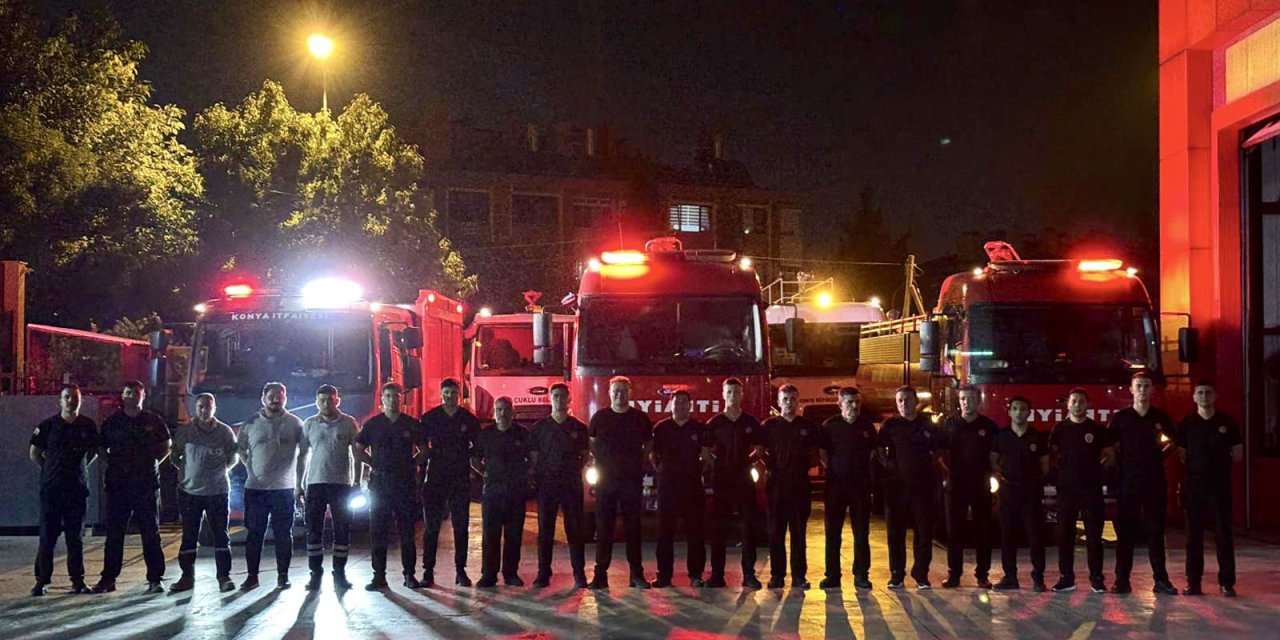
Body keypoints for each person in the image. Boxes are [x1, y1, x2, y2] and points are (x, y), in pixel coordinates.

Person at [94, 380, 170, 594]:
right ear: (123, 395)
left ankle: (155, 578)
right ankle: (108, 579)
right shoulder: (113, 422)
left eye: (136, 392)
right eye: (128, 392)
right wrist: (114, 465)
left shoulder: (153, 421)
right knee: (115, 533)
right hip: (119, 486)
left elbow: (166, 446)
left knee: (150, 531)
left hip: (146, 485)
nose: (132, 395)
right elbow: (101, 448)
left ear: (143, 395)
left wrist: (153, 462)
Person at [1108, 371, 1178, 596]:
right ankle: (1121, 580)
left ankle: (1161, 580)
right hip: (1127, 482)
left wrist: (1160, 456)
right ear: (1131, 389)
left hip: (1154, 482)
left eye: (1146, 386)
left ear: (1152, 389)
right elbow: (1108, 446)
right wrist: (1119, 462)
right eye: (1138, 386)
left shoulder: (1161, 417)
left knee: (1155, 533)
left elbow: (1174, 442)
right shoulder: (1121, 418)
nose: (1142, 390)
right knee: (1125, 534)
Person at [29, 384, 99, 596]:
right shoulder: (48, 426)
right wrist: (52, 469)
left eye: (74, 397)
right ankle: (42, 581)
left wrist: (78, 470)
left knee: (75, 538)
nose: (71, 401)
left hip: (76, 490)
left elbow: (93, 452)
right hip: (52, 490)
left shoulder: (87, 425)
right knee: (47, 538)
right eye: (67, 397)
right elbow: (35, 453)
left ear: (81, 400)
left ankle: (77, 581)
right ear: (60, 401)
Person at [355, 382, 426, 590]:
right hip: (380, 484)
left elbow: (424, 451)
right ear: (382, 400)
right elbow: (358, 450)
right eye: (388, 396)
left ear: (401, 399)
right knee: (378, 531)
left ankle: (409, 575)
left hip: (404, 484)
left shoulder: (411, 424)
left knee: (407, 531)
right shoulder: (372, 424)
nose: (392, 400)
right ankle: (379, 576)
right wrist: (373, 463)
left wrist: (412, 464)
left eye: (396, 396)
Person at [237, 381, 306, 591]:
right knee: (254, 534)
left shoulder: (295, 423)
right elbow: (240, 449)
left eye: (280, 395)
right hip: (256, 489)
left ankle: (283, 576)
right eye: (272, 395)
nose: (276, 399)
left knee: (284, 534)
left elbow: (303, 454)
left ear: (285, 398)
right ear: (263, 398)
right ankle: (252, 576)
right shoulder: (250, 422)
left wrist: (299, 484)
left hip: (284, 489)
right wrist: (250, 467)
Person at [1176, 381, 1242, 597]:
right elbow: (1182, 455)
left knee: (1224, 535)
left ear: (1215, 396)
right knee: (1193, 538)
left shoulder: (1228, 423)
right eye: (1200, 393)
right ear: (1194, 397)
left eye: (1208, 392)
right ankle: (1193, 583)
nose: (1204, 396)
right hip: (1194, 488)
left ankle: (1227, 583)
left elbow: (1238, 453)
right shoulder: (1186, 424)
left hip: (1220, 488)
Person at [588, 376, 654, 590]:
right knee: (604, 529)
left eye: (623, 390)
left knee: (633, 529)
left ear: (630, 392)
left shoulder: (640, 419)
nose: (619, 394)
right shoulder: (599, 418)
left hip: (631, 482)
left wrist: (637, 465)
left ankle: (636, 575)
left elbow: (649, 446)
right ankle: (600, 575)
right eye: (615, 390)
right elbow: (592, 443)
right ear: (610, 393)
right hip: (606, 482)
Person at [170, 393, 237, 593]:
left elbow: (233, 458)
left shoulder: (225, 432)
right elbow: (175, 456)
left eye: (207, 406)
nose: (203, 410)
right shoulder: (185, 432)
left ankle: (224, 577)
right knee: (189, 537)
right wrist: (188, 474)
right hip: (189, 492)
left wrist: (219, 471)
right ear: (195, 408)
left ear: (214, 408)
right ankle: (186, 577)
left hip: (217, 492)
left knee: (221, 536)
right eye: (200, 406)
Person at [878, 386, 944, 590]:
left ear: (915, 401)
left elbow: (939, 449)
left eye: (907, 399)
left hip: (923, 487)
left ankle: (921, 574)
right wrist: (890, 467)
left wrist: (926, 465)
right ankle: (897, 574)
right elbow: (879, 450)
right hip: (897, 488)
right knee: (895, 533)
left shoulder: (927, 424)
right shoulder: (890, 425)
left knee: (923, 532)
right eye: (900, 400)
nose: (904, 403)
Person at [420, 377, 480, 588]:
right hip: (435, 479)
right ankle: (428, 571)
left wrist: (479, 469)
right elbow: (420, 446)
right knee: (431, 528)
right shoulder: (429, 418)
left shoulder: (469, 419)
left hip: (460, 479)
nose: (450, 397)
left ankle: (461, 571)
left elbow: (478, 447)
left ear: (459, 395)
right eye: (446, 393)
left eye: (454, 393)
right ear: (441, 394)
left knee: (461, 527)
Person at [703, 378, 763, 589]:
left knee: (748, 529)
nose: (733, 396)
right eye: (729, 392)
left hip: (744, 480)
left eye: (736, 392)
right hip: (722, 481)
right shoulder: (715, 423)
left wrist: (748, 460)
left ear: (742, 395)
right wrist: (718, 463)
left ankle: (749, 575)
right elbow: (705, 451)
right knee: (719, 530)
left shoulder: (750, 423)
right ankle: (717, 576)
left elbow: (760, 449)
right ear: (723, 394)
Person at [529, 383, 590, 589]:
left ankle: (579, 574)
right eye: (555, 396)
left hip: (571, 485)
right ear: (549, 398)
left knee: (575, 530)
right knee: (545, 532)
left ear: (569, 399)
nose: (559, 399)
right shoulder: (539, 428)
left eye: (563, 396)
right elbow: (534, 458)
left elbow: (585, 455)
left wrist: (573, 470)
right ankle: (543, 574)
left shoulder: (579, 428)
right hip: (547, 485)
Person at [299, 384, 359, 591]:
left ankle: (339, 573)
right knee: (313, 530)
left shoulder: (349, 423)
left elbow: (357, 455)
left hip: (341, 484)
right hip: (315, 483)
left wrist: (357, 482)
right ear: (316, 402)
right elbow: (302, 456)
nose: (326, 404)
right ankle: (315, 574)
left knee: (342, 529)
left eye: (330, 400)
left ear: (337, 400)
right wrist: (299, 484)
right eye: (322, 400)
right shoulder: (309, 424)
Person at [1049, 388, 1109, 593]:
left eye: (1081, 401)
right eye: (1073, 401)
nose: (1077, 404)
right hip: (1066, 490)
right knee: (1065, 535)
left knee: (1094, 536)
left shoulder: (1097, 429)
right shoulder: (1059, 429)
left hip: (1091, 489)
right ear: (1068, 404)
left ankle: (1097, 578)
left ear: (1088, 404)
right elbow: (1052, 455)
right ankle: (1066, 577)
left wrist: (1096, 470)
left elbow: (1109, 455)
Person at [818, 386, 877, 591]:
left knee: (861, 532)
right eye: (850, 402)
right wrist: (835, 469)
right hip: (836, 487)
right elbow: (822, 453)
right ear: (840, 403)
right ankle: (832, 575)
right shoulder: (829, 426)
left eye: (857, 402)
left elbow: (872, 452)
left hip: (860, 487)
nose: (854, 406)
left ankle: (861, 574)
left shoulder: (867, 426)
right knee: (833, 533)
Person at [761, 384, 819, 590]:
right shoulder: (768, 426)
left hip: (800, 485)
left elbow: (815, 454)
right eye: (785, 399)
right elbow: (759, 452)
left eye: (793, 398)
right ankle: (777, 576)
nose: (789, 403)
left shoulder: (808, 427)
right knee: (775, 533)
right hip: (776, 485)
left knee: (798, 533)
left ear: (798, 401)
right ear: (778, 401)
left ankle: (799, 576)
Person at [990, 396, 1050, 592]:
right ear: (1009, 412)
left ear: (1028, 412)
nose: (1018, 412)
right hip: (1008, 490)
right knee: (1007, 534)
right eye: (1015, 408)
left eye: (1022, 409)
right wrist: (1004, 476)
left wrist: (1034, 480)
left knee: (1035, 535)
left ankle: (1038, 577)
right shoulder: (1001, 436)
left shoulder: (1037, 437)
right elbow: (993, 460)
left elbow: (1045, 465)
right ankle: (1010, 577)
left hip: (1031, 491)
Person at [940, 384, 997, 589]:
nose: (966, 402)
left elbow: (995, 457)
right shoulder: (949, 424)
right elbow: (940, 454)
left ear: (979, 400)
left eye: (971, 398)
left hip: (980, 485)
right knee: (954, 532)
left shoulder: (989, 426)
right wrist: (947, 475)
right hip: (956, 486)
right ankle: (954, 574)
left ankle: (982, 574)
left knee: (983, 530)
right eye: (963, 398)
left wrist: (992, 476)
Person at [651, 390, 708, 588]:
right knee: (665, 533)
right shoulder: (661, 428)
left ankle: (696, 575)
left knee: (695, 533)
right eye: (677, 402)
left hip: (692, 487)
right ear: (671, 405)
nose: (680, 405)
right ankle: (664, 575)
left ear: (690, 406)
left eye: (684, 402)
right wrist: (665, 472)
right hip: (668, 488)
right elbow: (653, 456)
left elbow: (707, 457)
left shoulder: (699, 428)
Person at [473, 397, 531, 588]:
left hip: (515, 492)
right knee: (490, 535)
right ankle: (488, 575)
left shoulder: (523, 434)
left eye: (506, 409)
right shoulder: (485, 435)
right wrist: (485, 475)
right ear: (493, 413)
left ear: (512, 412)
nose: (502, 413)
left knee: (514, 535)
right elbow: (474, 460)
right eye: (499, 410)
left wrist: (524, 476)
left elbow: (533, 459)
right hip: (492, 492)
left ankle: (511, 573)